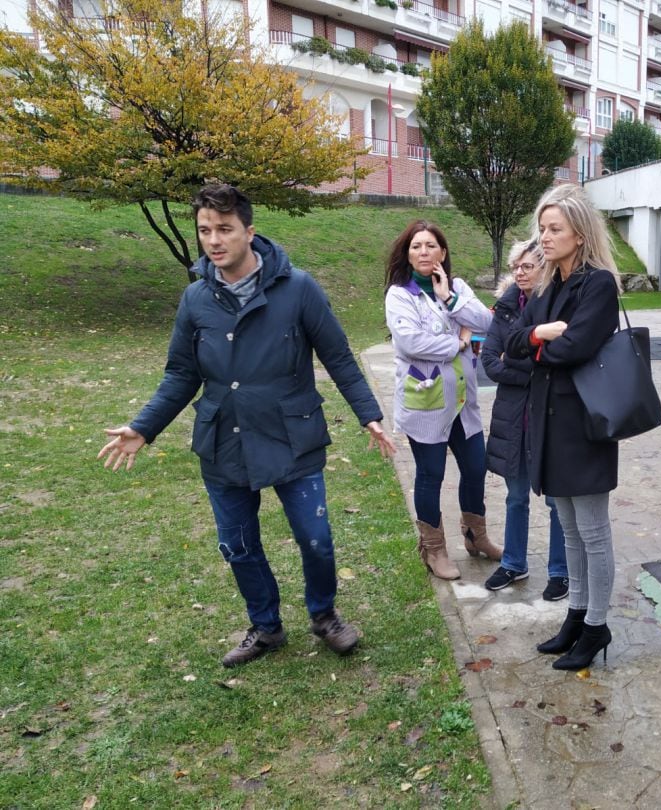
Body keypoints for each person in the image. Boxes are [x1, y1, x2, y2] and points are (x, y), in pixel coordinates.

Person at [98, 183, 395, 668]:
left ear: (249, 232)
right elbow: (181, 373)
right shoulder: (196, 298)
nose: (214, 241)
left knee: (316, 540)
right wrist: (143, 427)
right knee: (238, 546)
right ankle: (266, 626)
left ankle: (324, 616)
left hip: (292, 437)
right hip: (225, 442)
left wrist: (369, 414)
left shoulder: (297, 287)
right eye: (204, 231)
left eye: (224, 229)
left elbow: (337, 355)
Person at [505, 184, 621, 671]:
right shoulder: (548, 285)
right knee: (569, 529)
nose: (544, 238)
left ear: (579, 232)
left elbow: (577, 347)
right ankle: (576, 616)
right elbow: (510, 340)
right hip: (550, 422)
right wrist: (538, 334)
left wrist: (543, 347)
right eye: (542, 229)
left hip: (586, 423)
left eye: (554, 229)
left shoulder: (598, 284)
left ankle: (597, 626)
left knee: (592, 531)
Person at [384, 220, 498, 581]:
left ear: (443, 252)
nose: (423, 252)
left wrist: (450, 298)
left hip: (463, 401)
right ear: (407, 253)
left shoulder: (457, 287)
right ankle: (434, 551)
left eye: (430, 245)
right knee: (431, 475)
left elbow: (484, 321)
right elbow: (411, 343)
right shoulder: (400, 295)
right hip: (426, 402)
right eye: (416, 246)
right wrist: (459, 343)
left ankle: (475, 536)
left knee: (476, 468)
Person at [481, 240, 569, 600]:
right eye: (515, 266)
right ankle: (514, 563)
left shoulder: (554, 305)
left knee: (554, 501)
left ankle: (560, 572)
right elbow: (489, 361)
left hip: (548, 415)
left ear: (543, 269)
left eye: (527, 266)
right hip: (513, 417)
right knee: (516, 496)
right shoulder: (503, 310)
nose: (519, 272)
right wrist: (527, 365)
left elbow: (555, 359)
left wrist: (515, 358)